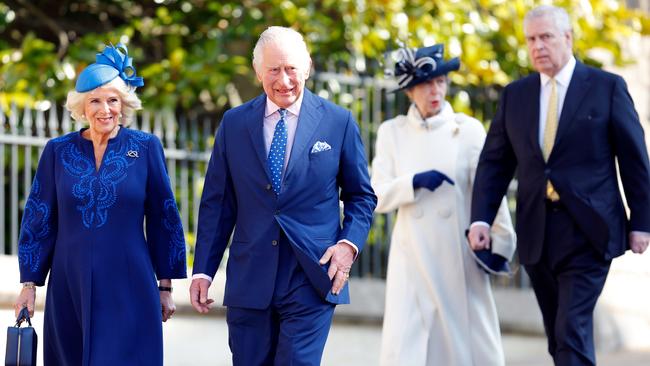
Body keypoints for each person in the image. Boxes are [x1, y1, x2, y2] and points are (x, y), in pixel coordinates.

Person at [469, 5, 650, 366]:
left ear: (567, 38)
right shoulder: (515, 96)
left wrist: (641, 221)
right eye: (531, 39)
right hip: (538, 231)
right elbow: (494, 163)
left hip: (590, 231)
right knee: (559, 335)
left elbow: (634, 159)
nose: (537, 46)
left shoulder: (606, 88)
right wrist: (480, 219)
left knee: (571, 328)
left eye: (546, 37)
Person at [189, 26, 376, 365]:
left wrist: (348, 246)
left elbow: (361, 196)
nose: (284, 80)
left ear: (306, 67)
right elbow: (218, 203)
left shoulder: (338, 122)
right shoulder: (233, 124)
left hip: (313, 274)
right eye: (273, 70)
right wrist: (203, 269)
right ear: (259, 71)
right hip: (250, 276)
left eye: (291, 69)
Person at [13, 44, 187, 365]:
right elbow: (39, 218)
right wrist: (29, 284)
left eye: (113, 100)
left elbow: (164, 217)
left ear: (124, 104)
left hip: (129, 283)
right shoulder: (57, 151)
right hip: (69, 284)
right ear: (82, 107)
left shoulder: (146, 147)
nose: (104, 109)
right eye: (95, 100)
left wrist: (165, 285)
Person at [372, 44, 516, 366]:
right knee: (408, 345)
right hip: (411, 257)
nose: (434, 90)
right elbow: (375, 195)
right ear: (409, 90)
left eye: (440, 81)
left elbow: (490, 189)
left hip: (457, 253)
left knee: (464, 344)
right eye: (424, 83)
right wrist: (412, 183)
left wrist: (500, 241)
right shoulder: (391, 132)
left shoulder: (468, 130)